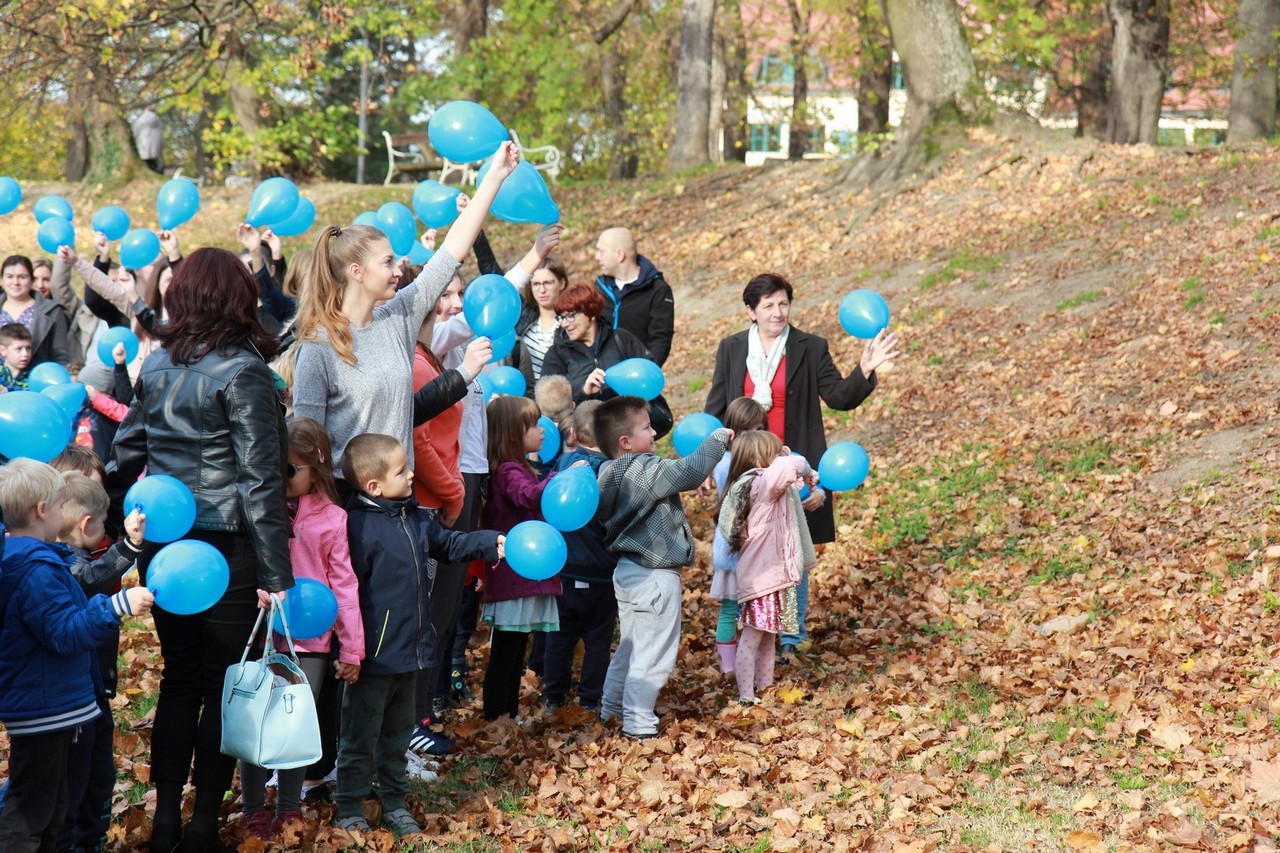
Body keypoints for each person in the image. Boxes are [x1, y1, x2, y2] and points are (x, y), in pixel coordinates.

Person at [106, 247, 294, 853]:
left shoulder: (157, 367)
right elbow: (260, 479)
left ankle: (166, 823)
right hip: (230, 547)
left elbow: (127, 454)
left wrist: (124, 532)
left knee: (182, 679)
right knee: (218, 682)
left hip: (167, 545)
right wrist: (276, 570)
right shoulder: (244, 373)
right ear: (237, 298)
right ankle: (202, 826)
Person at [292, 141, 520, 482]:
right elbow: (306, 441)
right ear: (357, 272)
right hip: (349, 506)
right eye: (387, 262)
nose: (398, 269)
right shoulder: (318, 346)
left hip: (401, 502)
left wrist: (494, 178)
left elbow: (450, 253)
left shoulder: (398, 318)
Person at [704, 273, 899, 657]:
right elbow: (715, 411)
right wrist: (707, 464)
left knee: (791, 554)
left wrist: (865, 369)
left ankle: (790, 638)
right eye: (768, 306)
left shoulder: (810, 347)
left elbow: (840, 396)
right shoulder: (731, 349)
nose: (778, 312)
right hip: (744, 469)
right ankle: (756, 634)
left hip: (790, 467)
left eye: (783, 304)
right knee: (748, 553)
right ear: (750, 311)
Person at [335, 433, 503, 837]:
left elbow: (448, 544)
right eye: (401, 470)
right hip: (373, 658)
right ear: (374, 486)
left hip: (411, 652)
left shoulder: (414, 517)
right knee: (360, 736)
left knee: (397, 735)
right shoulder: (356, 527)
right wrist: (351, 652)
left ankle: (393, 801)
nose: (412, 473)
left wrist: (486, 540)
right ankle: (349, 805)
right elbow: (346, 592)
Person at [0, 459, 154, 853]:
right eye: (58, 504)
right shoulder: (35, 571)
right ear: (42, 511)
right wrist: (116, 606)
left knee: (53, 814)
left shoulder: (38, 560)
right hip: (45, 713)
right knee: (31, 814)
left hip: (57, 708)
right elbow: (66, 634)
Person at [239, 418, 363, 842]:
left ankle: (289, 806)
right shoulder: (260, 509)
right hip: (261, 634)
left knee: (293, 725)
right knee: (255, 720)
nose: (282, 477)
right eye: (275, 468)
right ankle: (252, 808)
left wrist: (352, 649)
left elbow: (344, 586)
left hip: (310, 642)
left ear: (317, 464)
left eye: (290, 469)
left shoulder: (332, 519)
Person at [594, 396, 731, 738]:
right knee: (654, 653)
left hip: (628, 571)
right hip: (655, 575)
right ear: (625, 442)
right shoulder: (643, 468)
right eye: (646, 427)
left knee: (630, 647)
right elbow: (690, 471)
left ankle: (610, 710)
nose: (654, 431)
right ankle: (639, 724)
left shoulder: (608, 472)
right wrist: (717, 439)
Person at [55, 473, 148, 853]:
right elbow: (90, 579)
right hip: (76, 696)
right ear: (86, 524)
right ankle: (74, 840)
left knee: (96, 772)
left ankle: (89, 837)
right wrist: (128, 546)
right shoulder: (66, 564)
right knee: (79, 776)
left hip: (92, 690)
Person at [480, 396, 572, 721]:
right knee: (506, 652)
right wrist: (562, 477)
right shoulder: (507, 470)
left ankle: (507, 713)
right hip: (513, 575)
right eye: (533, 425)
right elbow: (529, 496)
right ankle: (495, 715)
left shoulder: (520, 467)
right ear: (512, 434)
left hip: (522, 576)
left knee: (515, 650)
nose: (542, 430)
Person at [717, 432, 816, 704]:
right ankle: (747, 694)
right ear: (761, 458)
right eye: (776, 453)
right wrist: (803, 468)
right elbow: (797, 463)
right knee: (752, 637)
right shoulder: (762, 483)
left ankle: (765, 688)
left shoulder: (763, 484)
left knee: (767, 637)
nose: (782, 457)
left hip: (769, 577)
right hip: (762, 579)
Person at [542, 401, 617, 712]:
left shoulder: (563, 465)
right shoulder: (613, 472)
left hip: (565, 571)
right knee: (598, 641)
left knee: (559, 639)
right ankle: (589, 699)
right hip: (601, 572)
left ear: (572, 433)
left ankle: (554, 697)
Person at [708, 397, 768, 675]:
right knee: (732, 609)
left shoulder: (745, 463)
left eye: (759, 429)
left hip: (750, 548)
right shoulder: (733, 464)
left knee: (749, 611)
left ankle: (743, 664)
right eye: (748, 430)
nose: (753, 437)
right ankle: (730, 666)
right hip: (737, 548)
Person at [593, 227, 674, 366]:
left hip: (637, 375)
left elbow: (660, 339)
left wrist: (646, 372)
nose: (596, 257)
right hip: (601, 376)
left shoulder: (657, 290)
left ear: (619, 255)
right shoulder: (599, 288)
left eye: (601, 251)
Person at [0, 255, 70, 368]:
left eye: (22, 277)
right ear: (1, 280)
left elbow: (61, 356)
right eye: (9, 277)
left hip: (37, 380)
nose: (15, 282)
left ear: (32, 280)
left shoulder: (52, 311)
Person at [511, 257, 568, 390]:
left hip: (557, 399)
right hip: (524, 399)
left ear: (562, 283)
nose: (542, 290)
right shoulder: (525, 315)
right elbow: (493, 271)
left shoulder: (570, 323)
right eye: (536, 284)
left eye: (548, 283)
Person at [0, 323, 33, 390]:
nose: (25, 354)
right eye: (19, 349)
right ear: (3, 350)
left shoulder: (33, 378)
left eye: (28, 348)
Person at [132, 108, 164, 174]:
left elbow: (135, 131)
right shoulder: (156, 120)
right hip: (154, 145)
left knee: (150, 162)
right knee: (154, 161)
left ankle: (155, 171)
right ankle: (157, 170)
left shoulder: (141, 120)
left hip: (145, 144)